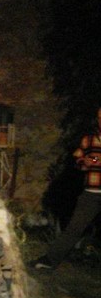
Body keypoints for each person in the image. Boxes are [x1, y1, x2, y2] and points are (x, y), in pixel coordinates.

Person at [34, 106, 101, 269]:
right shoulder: (89, 140)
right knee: (74, 228)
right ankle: (49, 261)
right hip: (92, 193)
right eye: (100, 117)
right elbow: (78, 158)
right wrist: (85, 163)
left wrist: (93, 160)